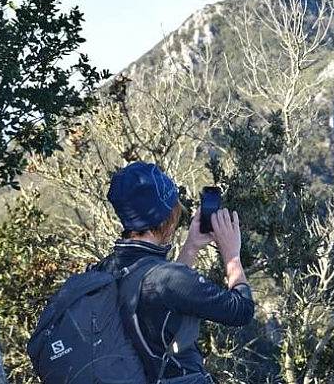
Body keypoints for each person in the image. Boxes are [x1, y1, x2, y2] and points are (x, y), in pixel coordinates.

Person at [95, 161, 254, 383]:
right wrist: (232, 256)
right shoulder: (165, 279)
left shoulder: (104, 270)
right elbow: (241, 310)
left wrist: (191, 246)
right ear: (168, 216)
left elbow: (161, 299)